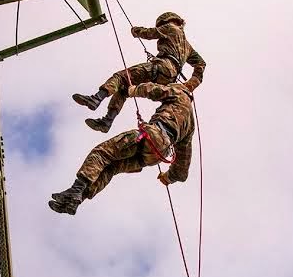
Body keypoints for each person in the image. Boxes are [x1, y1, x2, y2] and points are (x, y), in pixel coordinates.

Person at [49, 79, 198, 215]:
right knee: (111, 168)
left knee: (102, 154)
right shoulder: (190, 125)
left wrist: (131, 90)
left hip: (151, 135)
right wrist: (169, 177)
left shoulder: (178, 92)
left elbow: (154, 90)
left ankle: (75, 191)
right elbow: (182, 170)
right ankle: (76, 199)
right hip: (156, 155)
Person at [72, 12, 205, 133]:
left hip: (161, 66)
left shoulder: (171, 28)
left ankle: (96, 98)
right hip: (169, 78)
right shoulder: (187, 46)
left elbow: (151, 33)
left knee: (121, 77)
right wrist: (189, 85)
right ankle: (107, 121)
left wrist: (136, 31)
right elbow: (201, 64)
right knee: (124, 89)